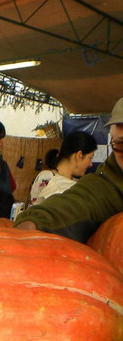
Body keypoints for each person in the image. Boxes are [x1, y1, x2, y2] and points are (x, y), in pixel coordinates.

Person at [15, 96, 123, 242]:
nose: (91, 164)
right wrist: (33, 224)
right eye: (121, 145)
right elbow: (74, 205)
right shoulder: (106, 184)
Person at [31, 131, 97, 204]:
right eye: (90, 158)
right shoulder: (47, 177)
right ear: (79, 155)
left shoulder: (76, 183)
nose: (91, 164)